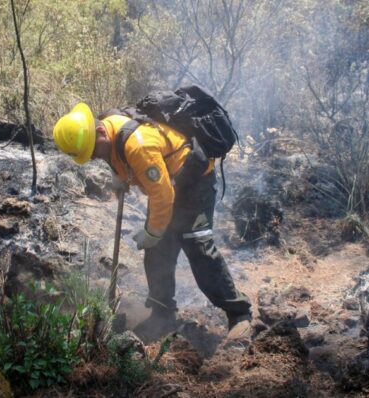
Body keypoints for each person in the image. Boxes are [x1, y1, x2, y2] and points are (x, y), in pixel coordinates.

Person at [53, 103, 252, 342]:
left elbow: (163, 196)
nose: (95, 156)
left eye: (94, 150)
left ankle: (239, 314)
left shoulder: (139, 145)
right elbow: (118, 156)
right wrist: (120, 176)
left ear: (100, 132)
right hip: (170, 184)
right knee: (157, 251)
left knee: (198, 247)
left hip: (193, 184)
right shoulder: (110, 125)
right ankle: (162, 315)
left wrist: (154, 231)